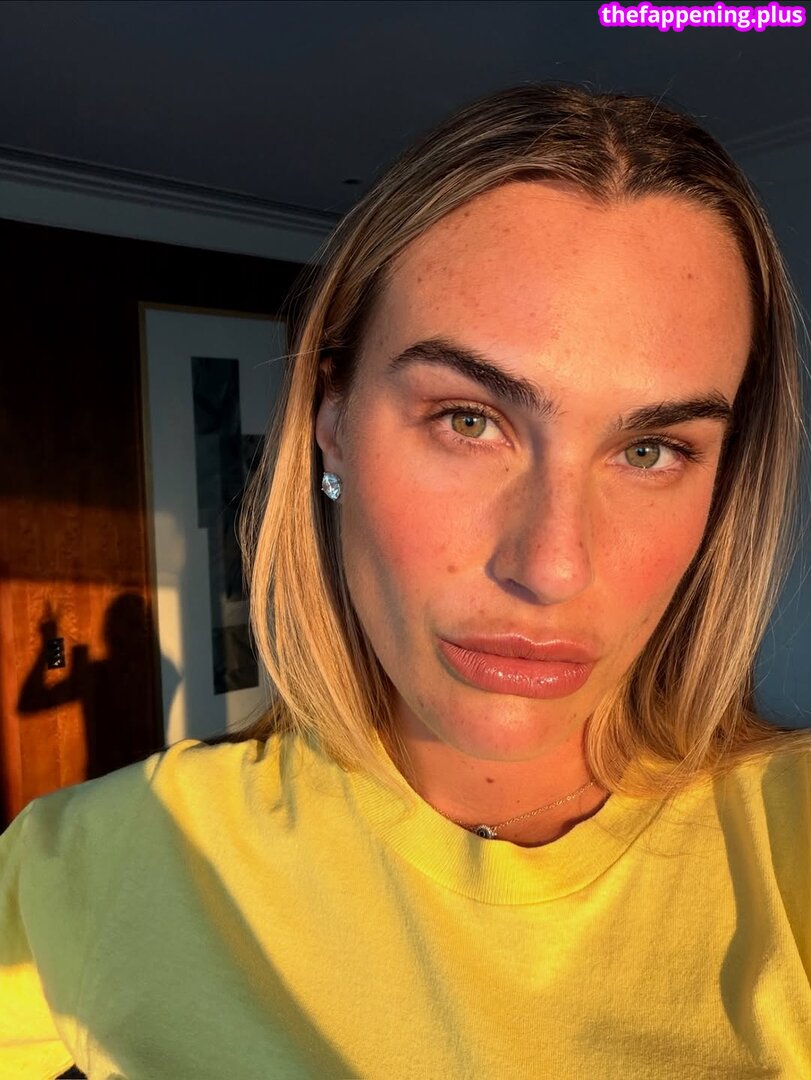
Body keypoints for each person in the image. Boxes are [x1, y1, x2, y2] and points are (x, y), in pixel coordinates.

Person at [2, 82, 810, 1079]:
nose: (551, 567)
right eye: (469, 419)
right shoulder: (100, 862)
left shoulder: (788, 846)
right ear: (332, 420)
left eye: (649, 449)